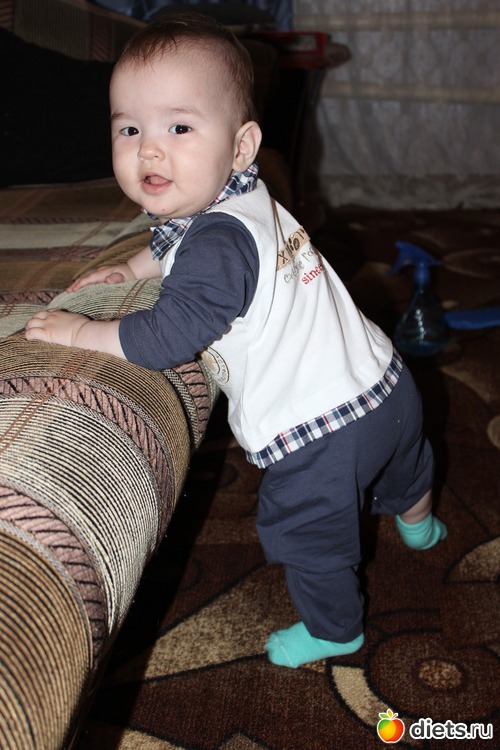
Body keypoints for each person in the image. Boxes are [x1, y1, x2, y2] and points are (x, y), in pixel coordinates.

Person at [25, 12, 447, 669]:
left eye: (179, 127)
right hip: (386, 382)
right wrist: (133, 268)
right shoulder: (243, 194)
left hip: (320, 429)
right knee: (402, 463)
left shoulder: (217, 244)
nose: (149, 150)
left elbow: (168, 335)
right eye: (130, 129)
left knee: (305, 530)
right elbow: (179, 241)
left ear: (242, 144)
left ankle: (336, 628)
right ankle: (419, 519)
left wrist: (82, 330)